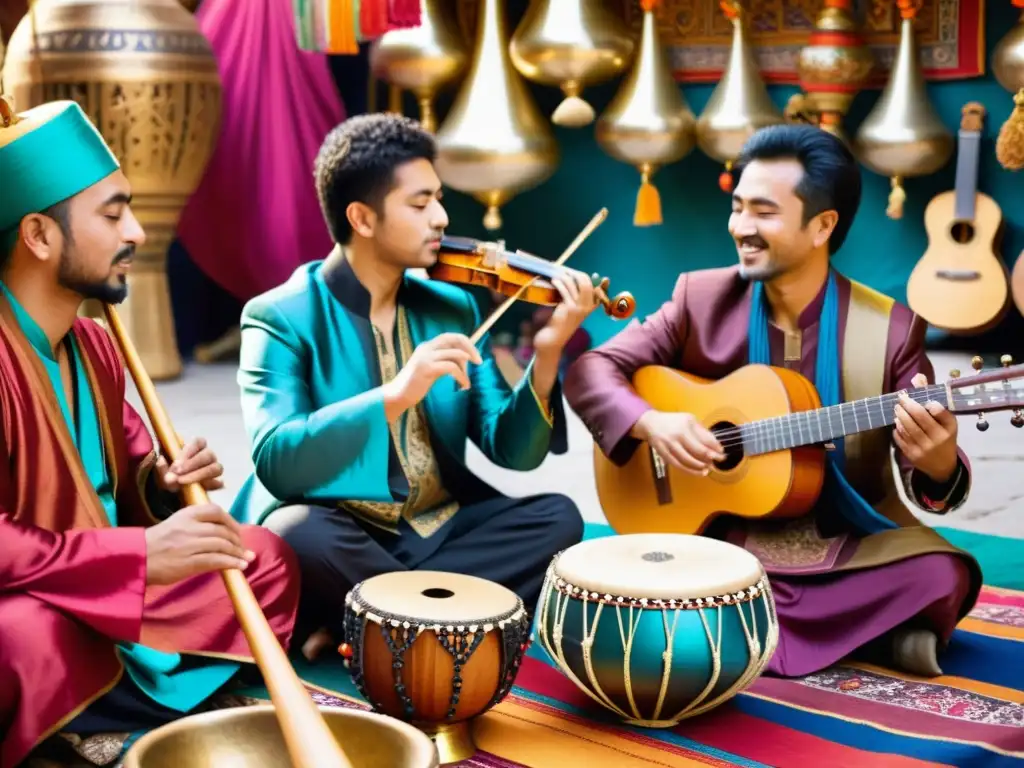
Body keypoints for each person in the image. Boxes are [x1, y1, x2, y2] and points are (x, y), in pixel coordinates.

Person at [563, 124, 983, 679]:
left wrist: (938, 462)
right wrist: (651, 422)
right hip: (719, 535)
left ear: (822, 225)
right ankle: (871, 636)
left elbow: (925, 472)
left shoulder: (889, 329)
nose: (740, 227)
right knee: (662, 568)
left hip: (840, 540)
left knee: (943, 574)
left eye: (763, 212)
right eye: (737, 207)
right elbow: (594, 368)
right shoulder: (702, 297)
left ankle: (729, 629)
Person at [0, 98, 300, 768]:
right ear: (40, 236)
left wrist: (162, 486)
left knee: (261, 559)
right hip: (38, 602)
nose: (135, 232)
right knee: (18, 639)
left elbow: (131, 465)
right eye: (112, 214)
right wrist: (137, 558)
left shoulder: (94, 345)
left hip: (111, 598)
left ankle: (88, 718)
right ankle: (119, 710)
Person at [229, 113, 588, 659]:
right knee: (297, 533)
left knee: (558, 517)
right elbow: (277, 457)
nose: (442, 218)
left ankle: (371, 623)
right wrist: (396, 395)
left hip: (438, 526)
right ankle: (443, 621)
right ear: (362, 218)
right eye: (420, 205)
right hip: (344, 530)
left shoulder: (451, 304)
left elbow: (510, 450)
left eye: (439, 199)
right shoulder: (279, 316)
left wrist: (546, 355)